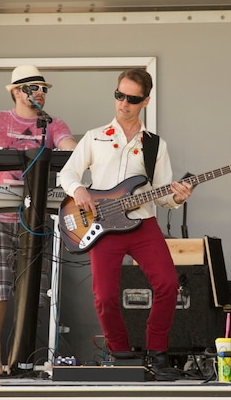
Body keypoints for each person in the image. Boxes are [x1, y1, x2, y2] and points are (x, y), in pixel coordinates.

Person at [57, 68, 192, 381]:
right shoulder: (94, 137)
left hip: (143, 224)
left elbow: (162, 195)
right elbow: (68, 174)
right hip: (103, 225)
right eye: (119, 95)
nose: (123, 104)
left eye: (132, 98)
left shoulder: (155, 145)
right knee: (103, 297)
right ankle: (121, 355)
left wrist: (179, 196)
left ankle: (157, 353)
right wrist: (78, 190)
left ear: (145, 101)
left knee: (169, 285)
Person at [0, 65, 77, 375]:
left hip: (34, 214)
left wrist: (83, 153)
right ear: (15, 91)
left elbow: (71, 150)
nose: (39, 92)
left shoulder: (51, 124)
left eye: (43, 88)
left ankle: (23, 355)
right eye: (32, 87)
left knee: (35, 291)